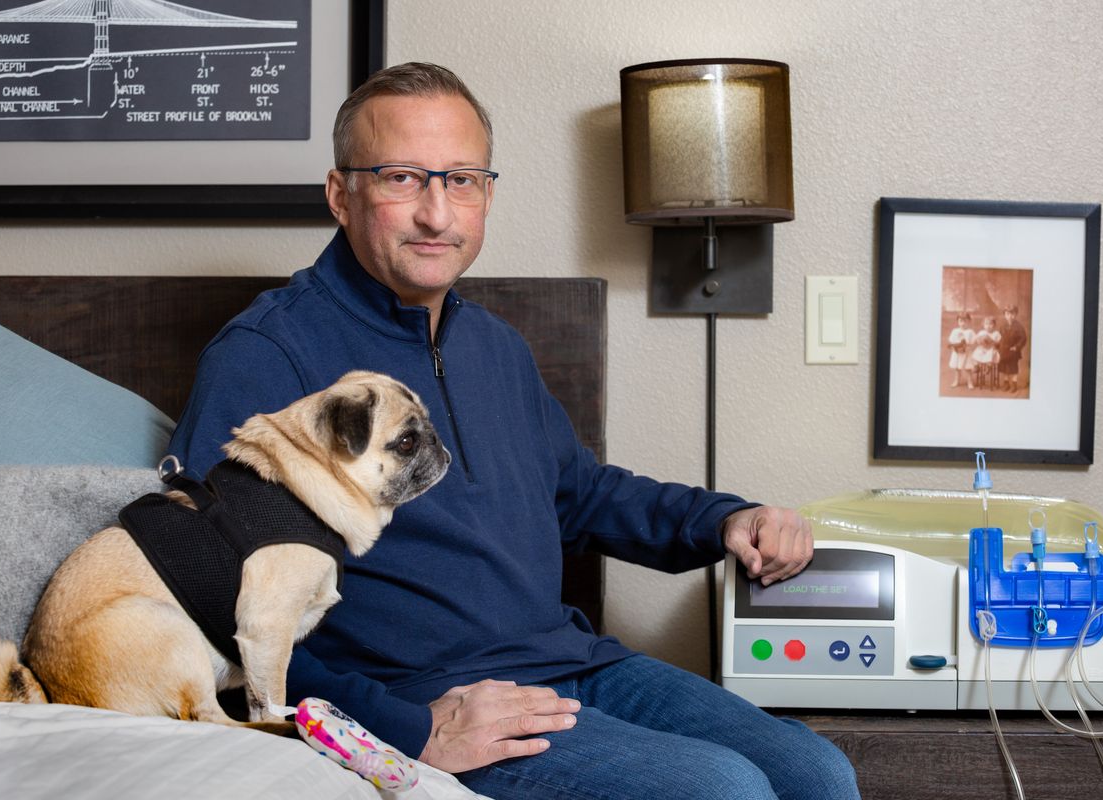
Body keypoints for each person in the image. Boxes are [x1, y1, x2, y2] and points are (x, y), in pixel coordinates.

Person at [169, 62, 859, 800]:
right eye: (403, 177)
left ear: (487, 194)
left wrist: (727, 519)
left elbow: (582, 496)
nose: (438, 213)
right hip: (424, 692)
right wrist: (405, 727)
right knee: (718, 789)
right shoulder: (266, 353)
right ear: (342, 194)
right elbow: (205, 581)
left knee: (816, 772)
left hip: (571, 664)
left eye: (462, 179)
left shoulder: (496, 345)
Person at [998, 305, 1027, 393]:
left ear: (1015, 315)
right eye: (1007, 314)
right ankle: (1006, 383)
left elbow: (1023, 338)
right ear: (1004, 315)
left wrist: (1017, 347)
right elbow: (1000, 337)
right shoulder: (1002, 326)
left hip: (1013, 351)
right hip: (1004, 350)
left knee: (1013, 368)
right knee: (1005, 367)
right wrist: (998, 347)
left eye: (1012, 314)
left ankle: (1014, 384)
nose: (1010, 316)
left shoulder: (1019, 326)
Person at [971, 316, 1001, 391]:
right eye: (986, 324)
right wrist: (978, 340)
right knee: (976, 353)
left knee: (990, 354)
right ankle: (976, 366)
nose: (988, 326)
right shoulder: (981, 332)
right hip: (982, 348)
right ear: (983, 325)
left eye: (991, 324)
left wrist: (992, 341)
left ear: (994, 325)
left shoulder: (996, 333)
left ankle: (989, 366)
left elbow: (998, 342)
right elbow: (975, 339)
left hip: (991, 349)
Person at [946, 312, 974, 389]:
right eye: (961, 321)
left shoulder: (970, 332)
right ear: (958, 322)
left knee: (968, 367)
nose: (963, 323)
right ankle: (956, 380)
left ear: (969, 321)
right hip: (957, 352)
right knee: (957, 367)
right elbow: (951, 341)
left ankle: (970, 381)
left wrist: (967, 346)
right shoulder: (955, 331)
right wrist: (955, 347)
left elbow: (972, 341)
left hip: (966, 352)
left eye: (965, 321)